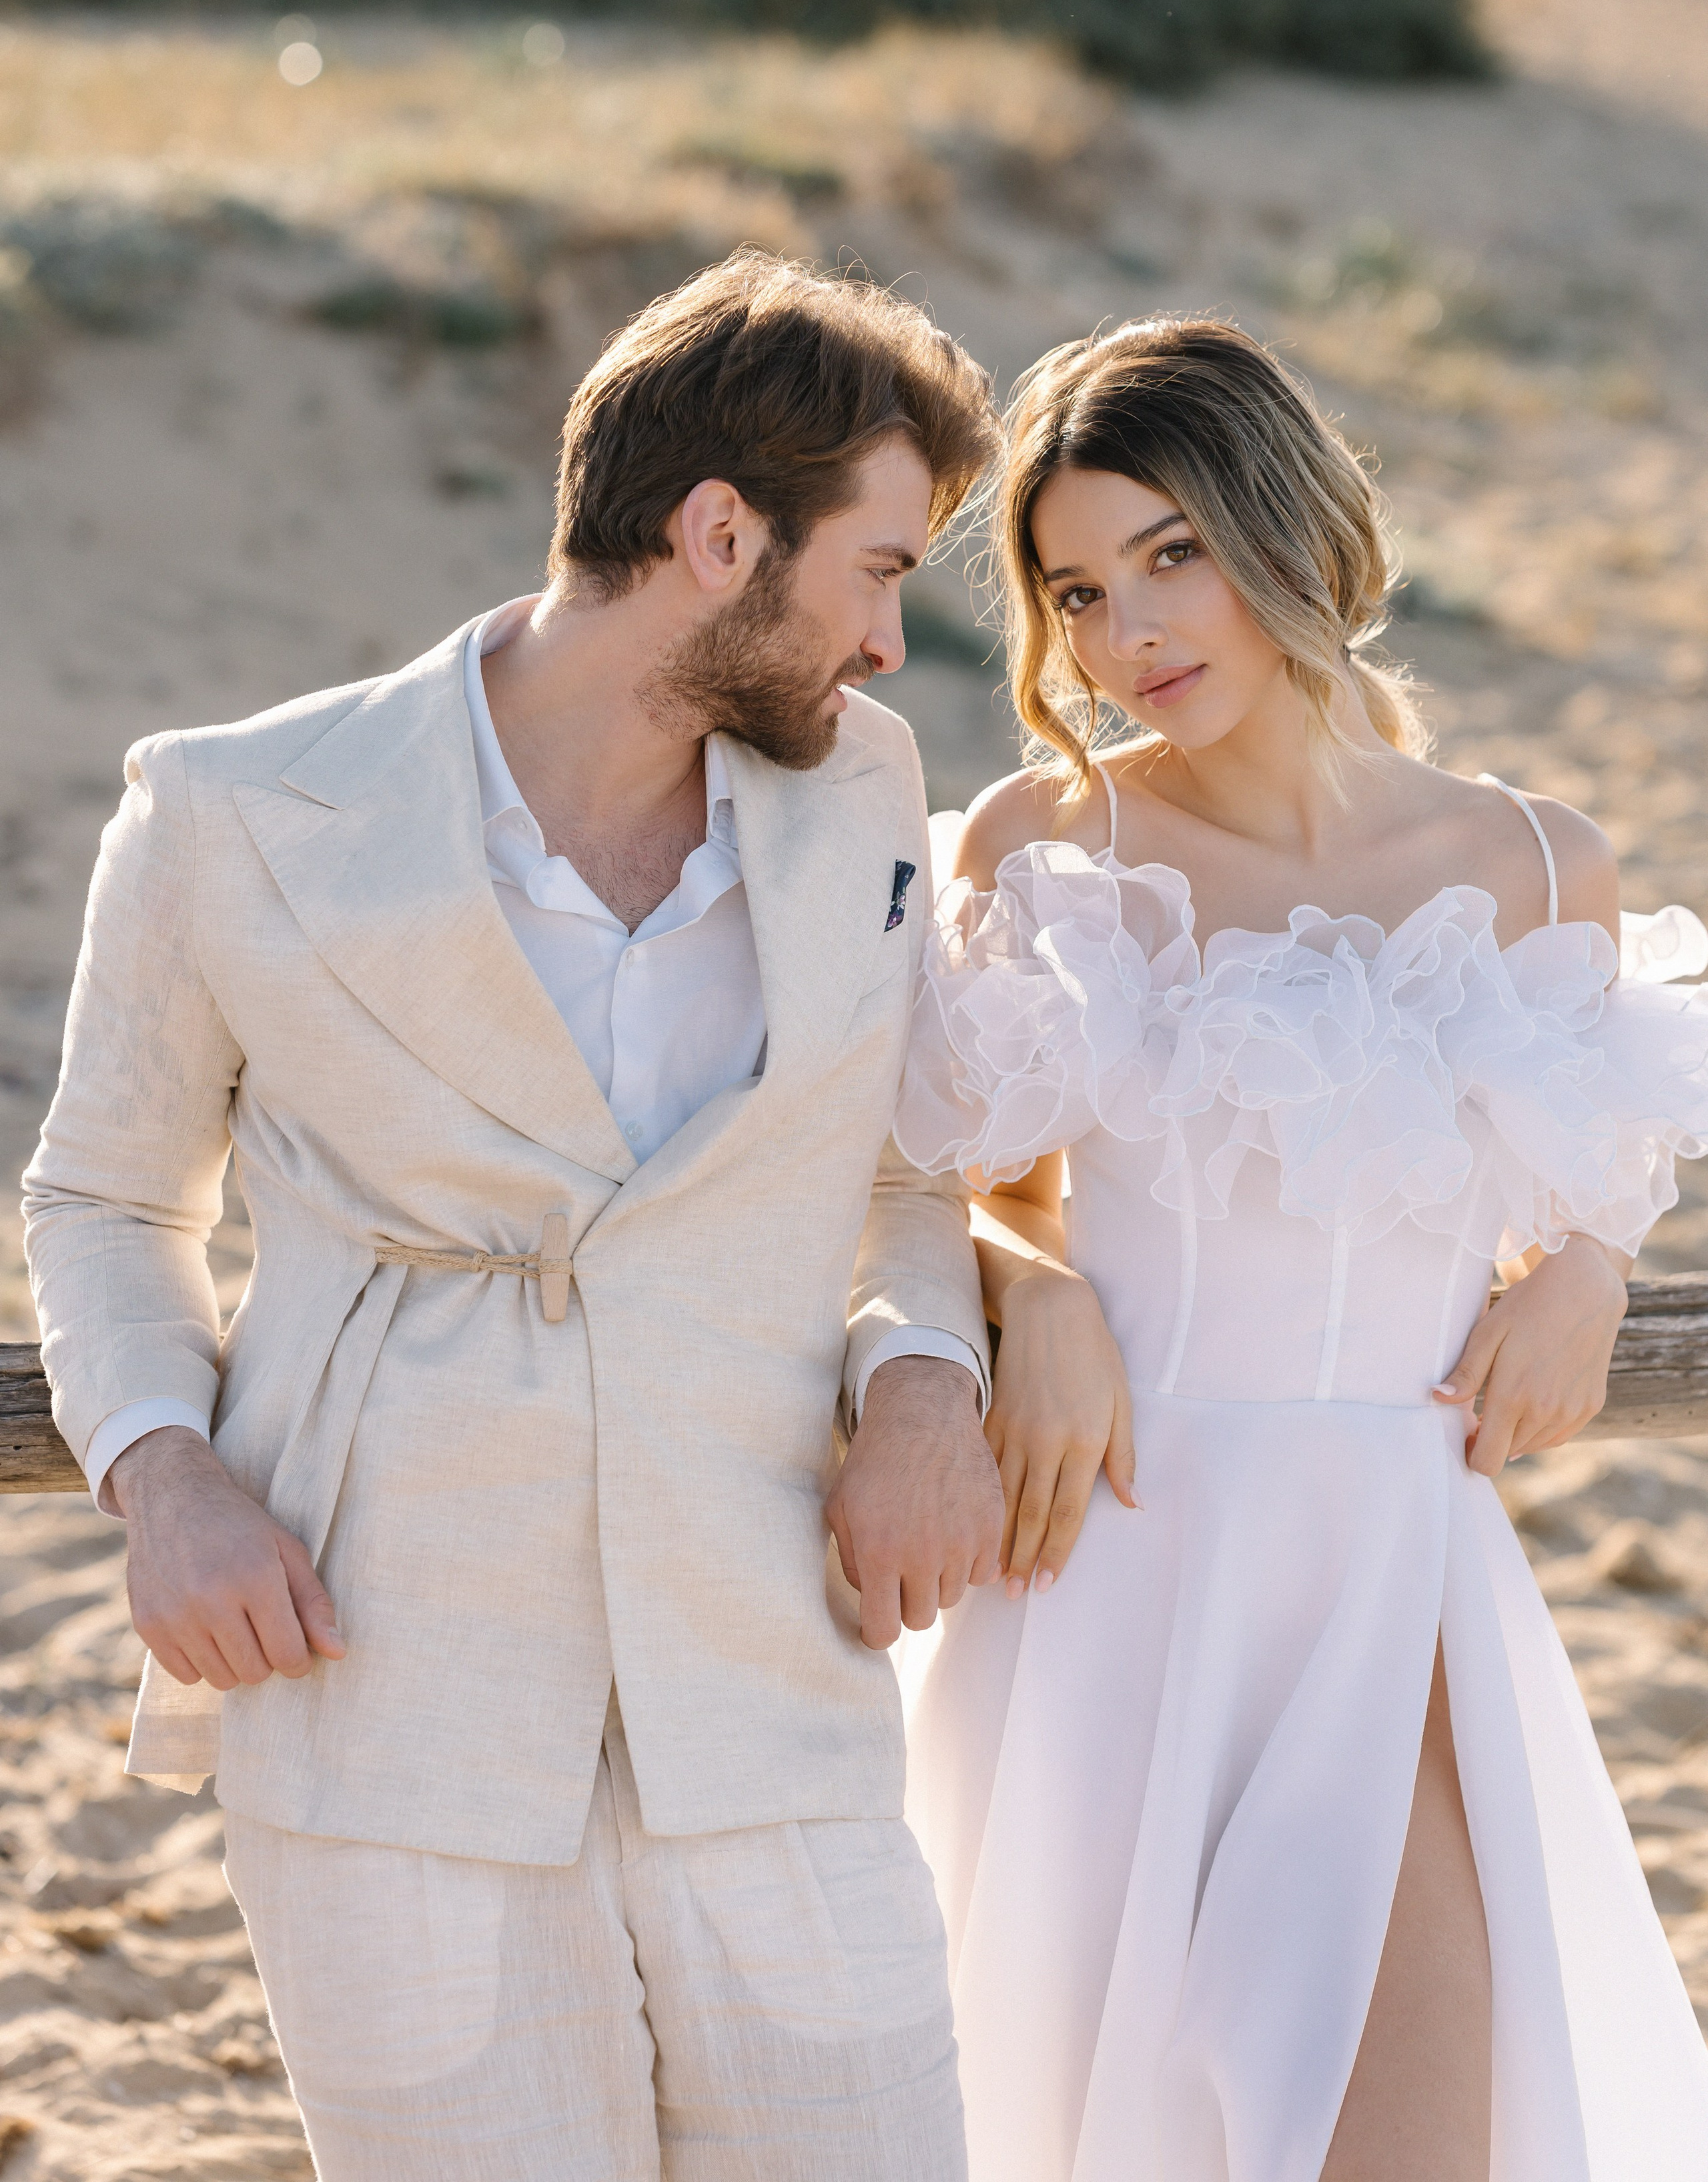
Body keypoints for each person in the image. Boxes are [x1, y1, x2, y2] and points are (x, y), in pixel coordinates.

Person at [23, 252, 1009, 2182]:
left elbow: (898, 1168)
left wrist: (923, 1384)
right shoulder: (237, 815)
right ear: (723, 533)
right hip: (388, 1692)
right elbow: (105, 1196)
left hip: (770, 1675)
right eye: (879, 575)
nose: (891, 650)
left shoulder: (864, 796)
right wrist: (165, 1474)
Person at [892, 317, 1708, 2182]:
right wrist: (1046, 1293)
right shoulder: (1051, 842)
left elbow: (1599, 1153)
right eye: (1078, 591)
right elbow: (933, 1186)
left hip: (1395, 1575)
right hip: (1106, 1557)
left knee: (1418, 2119)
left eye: (1171, 553)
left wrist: (1586, 1270)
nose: (1129, 635)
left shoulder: (1532, 863)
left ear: (1287, 525)